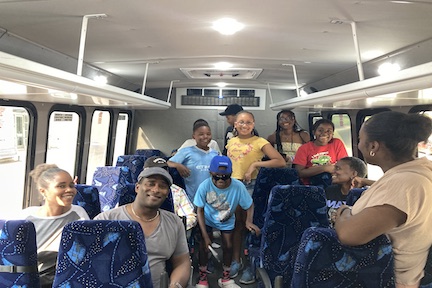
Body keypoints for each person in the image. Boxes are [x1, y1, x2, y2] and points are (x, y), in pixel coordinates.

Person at [334, 111, 432, 288]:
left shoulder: (406, 184)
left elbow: (348, 234)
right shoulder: (417, 173)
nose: (359, 144)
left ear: (373, 146)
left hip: (386, 280)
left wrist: (343, 212)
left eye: (360, 139)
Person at [94, 158, 191, 288]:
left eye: (162, 186)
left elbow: (182, 262)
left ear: (167, 193)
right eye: (150, 183)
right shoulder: (106, 220)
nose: (156, 190)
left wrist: (175, 285)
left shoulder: (174, 223)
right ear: (137, 187)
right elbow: (92, 264)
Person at [226, 110, 285, 283]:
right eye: (241, 122)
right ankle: (236, 261)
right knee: (236, 225)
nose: (245, 125)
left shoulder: (260, 142)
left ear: (254, 124)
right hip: (232, 186)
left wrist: (255, 164)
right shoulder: (231, 142)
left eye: (249, 122)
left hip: (251, 186)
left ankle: (251, 267)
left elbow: (280, 161)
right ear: (235, 124)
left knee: (250, 227)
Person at [16, 164, 89, 288]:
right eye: (61, 186)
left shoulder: (78, 213)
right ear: (43, 191)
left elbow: (87, 251)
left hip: (65, 278)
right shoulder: (26, 217)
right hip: (30, 277)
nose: (69, 190)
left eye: (71, 185)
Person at [194, 156, 260, 288]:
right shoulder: (205, 185)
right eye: (216, 177)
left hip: (227, 220)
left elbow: (249, 205)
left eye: (225, 177)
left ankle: (225, 278)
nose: (220, 180)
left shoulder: (238, 186)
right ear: (211, 174)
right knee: (203, 247)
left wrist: (248, 221)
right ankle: (202, 278)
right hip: (207, 218)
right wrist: (206, 237)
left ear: (230, 174)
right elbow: (199, 210)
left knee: (228, 247)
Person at [168, 120, 219, 201]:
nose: (205, 137)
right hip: (191, 197)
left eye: (208, 134)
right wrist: (178, 165)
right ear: (194, 136)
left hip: (211, 197)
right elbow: (168, 163)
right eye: (201, 134)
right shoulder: (186, 151)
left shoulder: (215, 154)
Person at [144, 156, 197, 232]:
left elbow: (190, 216)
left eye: (164, 171)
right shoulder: (135, 190)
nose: (160, 174)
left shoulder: (177, 191)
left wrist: (174, 228)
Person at [293, 118, 348, 186]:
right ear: (314, 132)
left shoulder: (337, 143)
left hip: (334, 182)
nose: (324, 133)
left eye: (329, 131)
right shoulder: (304, 148)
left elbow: (345, 166)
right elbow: (299, 172)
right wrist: (324, 168)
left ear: (333, 133)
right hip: (311, 185)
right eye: (320, 130)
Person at [325, 156, 367, 224]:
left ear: (353, 174)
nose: (333, 171)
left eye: (337, 168)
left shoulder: (364, 194)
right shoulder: (330, 190)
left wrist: (364, 181)